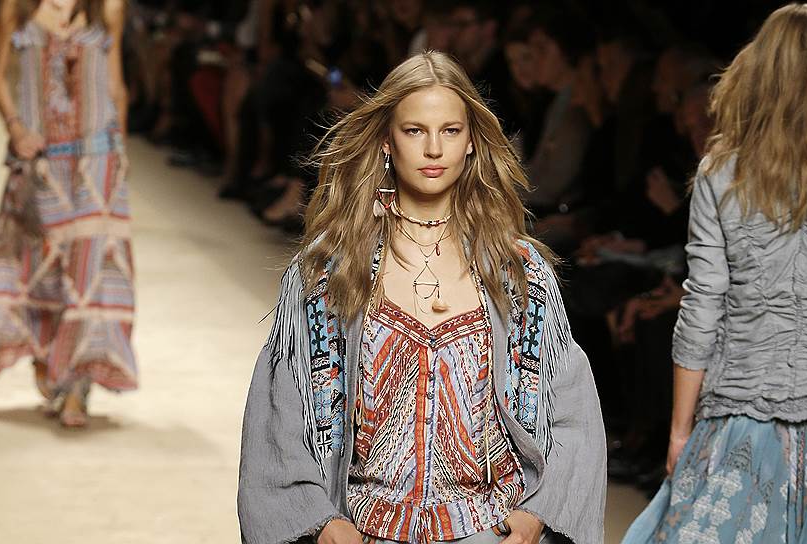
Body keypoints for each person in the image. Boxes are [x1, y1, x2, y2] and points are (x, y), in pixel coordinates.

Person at [237, 52, 606, 544]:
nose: (434, 148)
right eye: (414, 131)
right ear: (387, 141)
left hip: (487, 527)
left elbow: (570, 409)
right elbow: (283, 408)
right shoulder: (331, 270)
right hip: (365, 528)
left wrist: (538, 512)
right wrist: (320, 520)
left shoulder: (518, 272)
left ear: (471, 141)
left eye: (450, 131)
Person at [623, 4, 807, 542]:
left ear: (757, 74)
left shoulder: (721, 172)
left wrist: (680, 430)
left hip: (737, 416)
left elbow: (703, 304)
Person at [0, 0, 136, 427]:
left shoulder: (108, 7)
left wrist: (120, 154)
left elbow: (116, 85)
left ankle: (77, 386)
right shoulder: (18, 6)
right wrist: (15, 127)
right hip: (40, 161)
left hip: (97, 160)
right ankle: (49, 359)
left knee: (90, 272)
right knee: (35, 266)